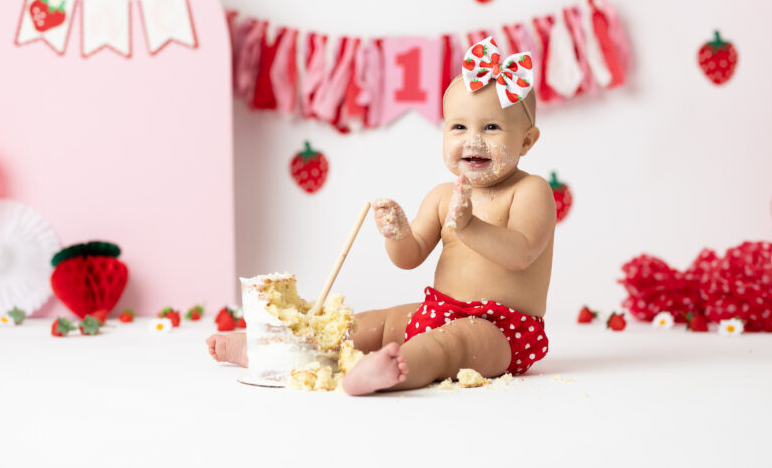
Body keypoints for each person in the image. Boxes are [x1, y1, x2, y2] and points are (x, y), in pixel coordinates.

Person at [207, 37, 556, 394]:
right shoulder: (442, 196)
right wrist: (398, 234)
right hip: (440, 309)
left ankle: (393, 371)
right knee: (375, 323)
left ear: (527, 142)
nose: (473, 140)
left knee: (448, 345)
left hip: (502, 330)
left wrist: (469, 226)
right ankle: (274, 350)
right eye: (458, 127)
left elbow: (522, 252)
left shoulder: (530, 191)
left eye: (491, 128)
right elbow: (410, 257)